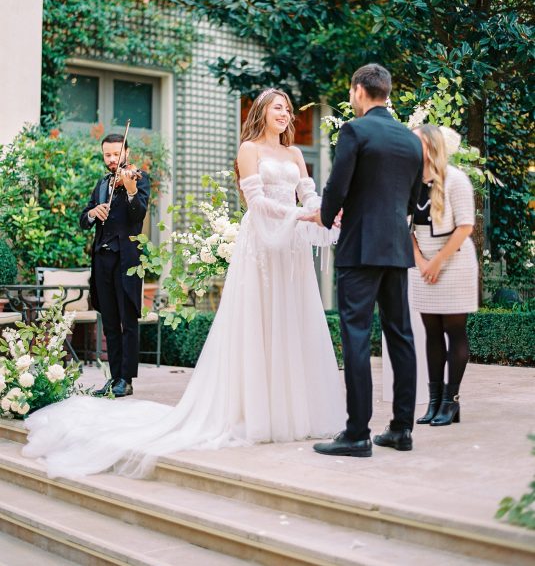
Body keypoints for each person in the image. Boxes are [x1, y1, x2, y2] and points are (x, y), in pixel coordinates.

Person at [22, 90, 345, 479]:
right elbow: (256, 202)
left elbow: (308, 194)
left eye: (289, 109)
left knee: (290, 321)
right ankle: (249, 409)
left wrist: (325, 212)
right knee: (256, 321)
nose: (286, 113)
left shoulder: (294, 154)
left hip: (290, 246)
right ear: (262, 111)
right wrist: (301, 216)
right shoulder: (249, 149)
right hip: (261, 240)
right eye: (278, 107)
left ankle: (291, 409)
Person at [304, 63, 423, 457]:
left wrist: (325, 216)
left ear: (358, 90)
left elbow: (337, 186)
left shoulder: (354, 131)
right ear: (386, 92)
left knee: (356, 336)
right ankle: (402, 429)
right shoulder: (410, 139)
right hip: (396, 248)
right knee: (400, 336)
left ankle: (357, 433)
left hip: (359, 248)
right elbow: (412, 201)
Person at [410, 124, 477, 426]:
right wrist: (421, 262)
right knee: (432, 332)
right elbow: (405, 226)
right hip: (423, 266)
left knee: (454, 330)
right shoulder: (410, 180)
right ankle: (434, 401)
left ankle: (451, 401)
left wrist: (437, 262)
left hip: (454, 262)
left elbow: (465, 226)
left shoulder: (456, 180)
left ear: (431, 146)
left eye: (416, 142)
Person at [81, 133, 150, 398]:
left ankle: (127, 380)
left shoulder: (138, 179)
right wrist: (92, 213)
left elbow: (138, 214)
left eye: (116, 154)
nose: (112, 159)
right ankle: (115, 377)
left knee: (128, 320)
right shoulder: (101, 184)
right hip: (102, 260)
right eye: (107, 155)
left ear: (126, 153)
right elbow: (83, 219)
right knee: (109, 321)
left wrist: (131, 190)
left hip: (127, 261)